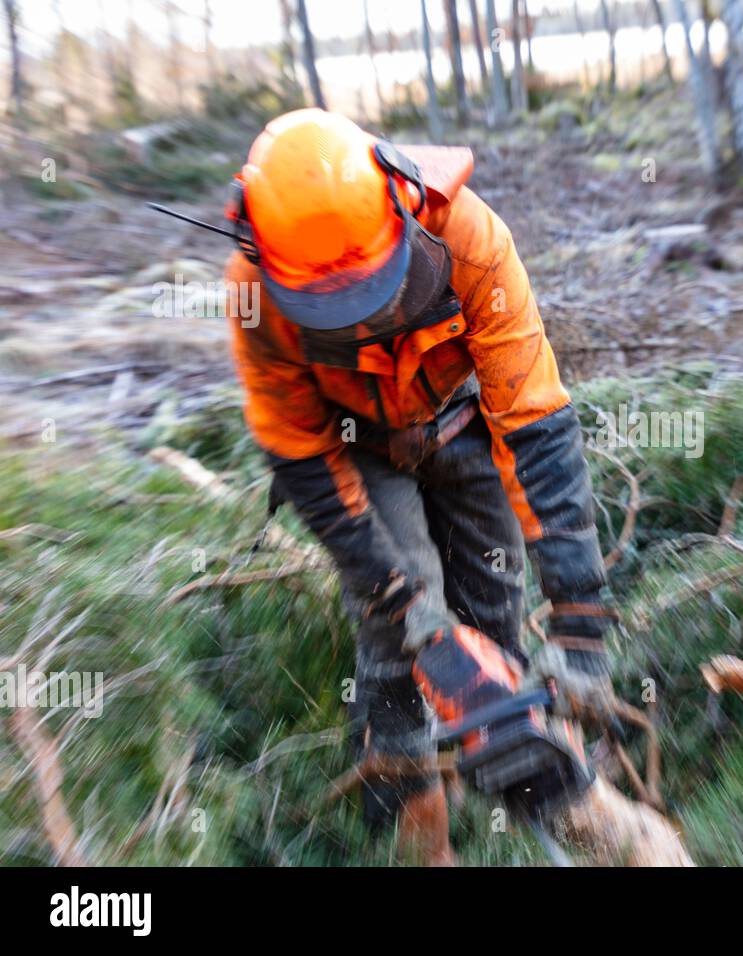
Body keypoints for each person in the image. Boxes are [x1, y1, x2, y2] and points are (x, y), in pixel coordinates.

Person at [222, 108, 612, 852]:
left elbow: (533, 424)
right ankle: (405, 807)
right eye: (332, 306)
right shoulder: (255, 296)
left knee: (494, 604)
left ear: (401, 198)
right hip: (356, 442)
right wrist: (402, 602)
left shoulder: (467, 235)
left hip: (462, 418)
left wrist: (580, 610)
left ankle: (516, 783)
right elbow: (302, 457)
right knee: (401, 630)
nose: (360, 318)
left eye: (366, 291)